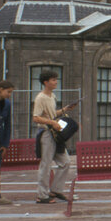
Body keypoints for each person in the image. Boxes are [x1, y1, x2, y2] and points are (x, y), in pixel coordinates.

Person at [32, 70, 77, 204]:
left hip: (55, 134)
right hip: (46, 134)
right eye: (53, 80)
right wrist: (52, 122)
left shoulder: (52, 96)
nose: (56, 82)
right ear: (46, 82)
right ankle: (42, 195)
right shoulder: (40, 98)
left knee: (66, 162)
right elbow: (36, 118)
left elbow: (51, 114)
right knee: (46, 165)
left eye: (56, 79)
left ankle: (55, 190)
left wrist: (65, 109)